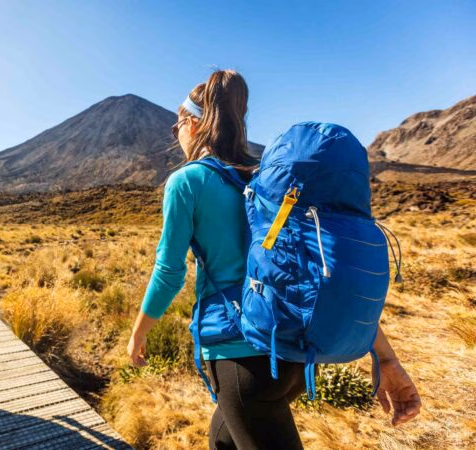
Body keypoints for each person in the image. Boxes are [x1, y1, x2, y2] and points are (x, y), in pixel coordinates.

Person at [126, 70, 421, 449]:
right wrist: (387, 359)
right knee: (223, 441)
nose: (176, 134)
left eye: (176, 126)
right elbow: (319, 272)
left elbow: (169, 273)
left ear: (193, 123)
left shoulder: (187, 182)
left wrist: (138, 334)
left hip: (240, 361)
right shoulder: (263, 180)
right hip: (291, 356)